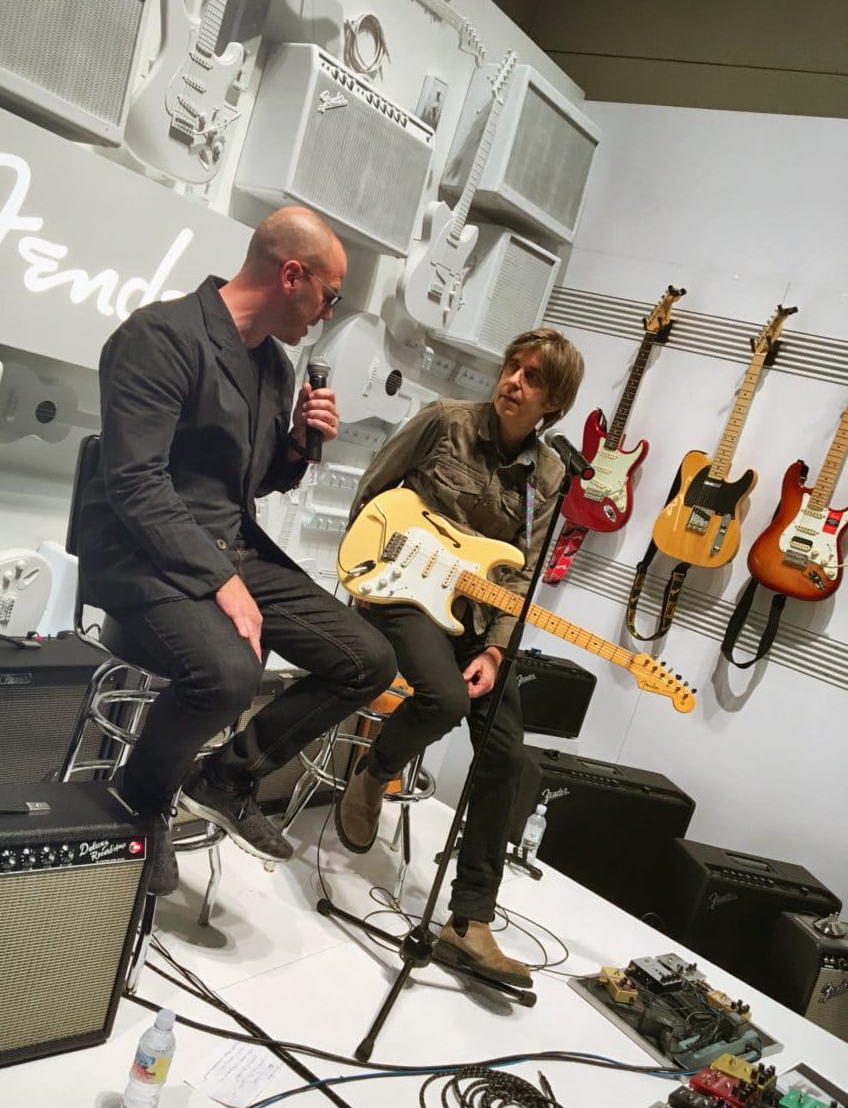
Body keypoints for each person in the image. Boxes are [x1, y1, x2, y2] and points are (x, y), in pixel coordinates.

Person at [78, 206, 396, 894]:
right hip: (142, 552)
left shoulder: (275, 368)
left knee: (368, 661)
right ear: (291, 275)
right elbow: (135, 484)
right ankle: (141, 802)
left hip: (229, 545)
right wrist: (224, 583)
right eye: (329, 295)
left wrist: (299, 445)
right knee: (230, 674)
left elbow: (254, 481)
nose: (328, 313)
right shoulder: (160, 337)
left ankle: (225, 777)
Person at [335, 328, 584, 987]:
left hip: (473, 617)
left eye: (533, 377)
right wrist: (365, 573)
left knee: (506, 755)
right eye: (513, 366)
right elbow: (372, 493)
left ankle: (469, 919)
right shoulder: (444, 422)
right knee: (444, 700)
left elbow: (521, 576)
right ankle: (375, 773)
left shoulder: (549, 476)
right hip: (402, 595)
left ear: (554, 404)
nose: (513, 381)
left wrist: (497, 651)